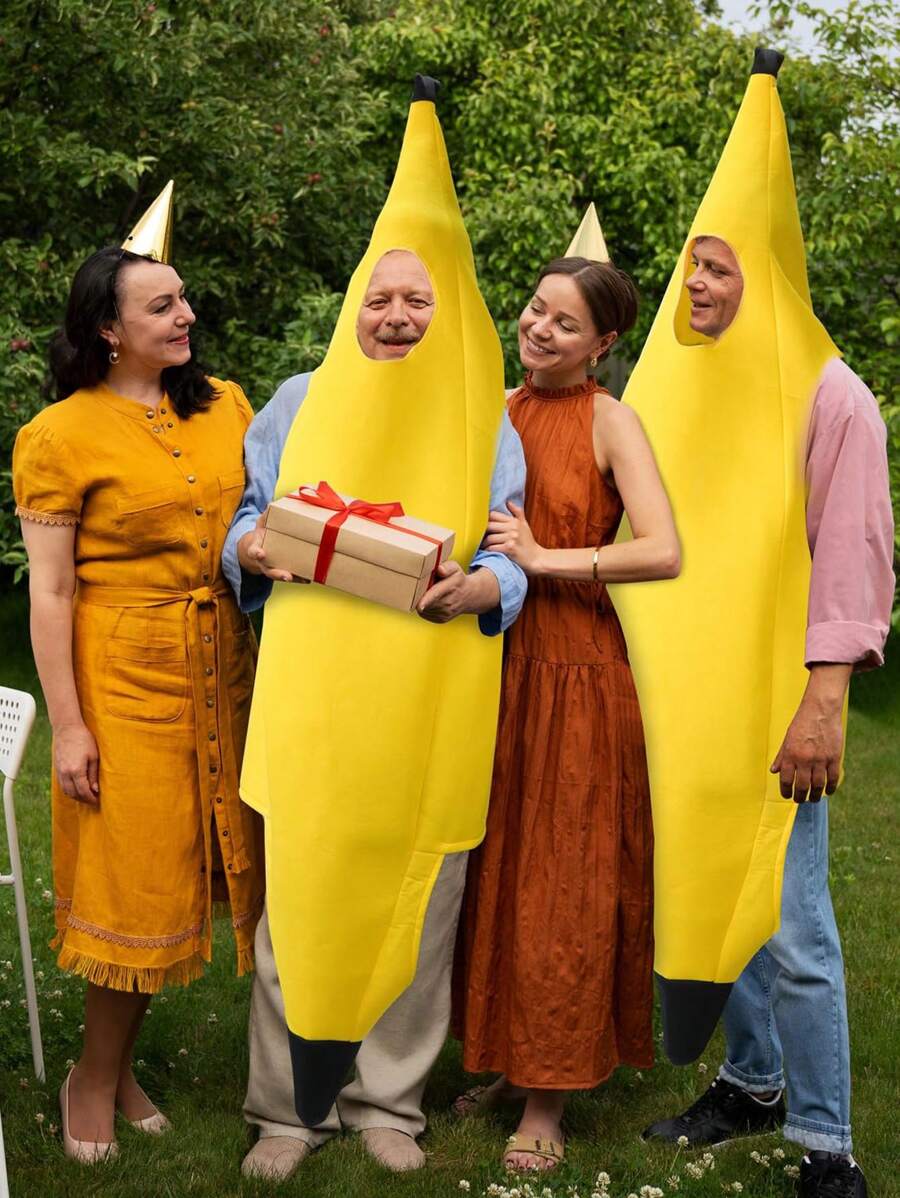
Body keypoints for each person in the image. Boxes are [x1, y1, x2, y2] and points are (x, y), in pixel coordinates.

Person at [223, 79, 528, 1182]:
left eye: (417, 300)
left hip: (428, 697)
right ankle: (285, 1113)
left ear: (448, 307)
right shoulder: (297, 399)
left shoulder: (485, 414)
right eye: (379, 298)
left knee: (417, 897)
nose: (396, 316)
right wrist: (254, 547)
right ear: (354, 305)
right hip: (316, 695)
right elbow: (248, 520)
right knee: (305, 896)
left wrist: (486, 587)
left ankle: (386, 1100)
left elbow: (510, 550)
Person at [12, 189, 264, 1164]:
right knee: (134, 885)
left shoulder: (226, 406)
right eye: (162, 306)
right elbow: (50, 593)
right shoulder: (57, 435)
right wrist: (70, 727)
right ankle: (91, 1076)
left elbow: (260, 522)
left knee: (178, 879)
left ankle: (115, 1070)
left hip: (220, 670)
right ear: (108, 330)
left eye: (184, 299)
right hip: (122, 678)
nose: (186, 315)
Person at [640, 233, 893, 1198]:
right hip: (691, 697)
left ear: (771, 278)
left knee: (793, 925)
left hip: (780, 703)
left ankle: (829, 1145)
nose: (695, 282)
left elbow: (853, 555)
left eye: (718, 267)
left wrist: (823, 702)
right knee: (718, 900)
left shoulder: (833, 396)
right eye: (691, 265)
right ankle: (753, 1082)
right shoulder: (696, 383)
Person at [451, 251, 681, 1172]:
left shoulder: (611, 420)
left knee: (562, 882)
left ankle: (547, 1098)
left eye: (565, 323)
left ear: (603, 342)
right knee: (497, 870)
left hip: (575, 673)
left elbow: (663, 550)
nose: (540, 329)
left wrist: (548, 558)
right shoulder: (495, 407)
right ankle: (510, 1060)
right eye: (535, 309)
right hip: (491, 664)